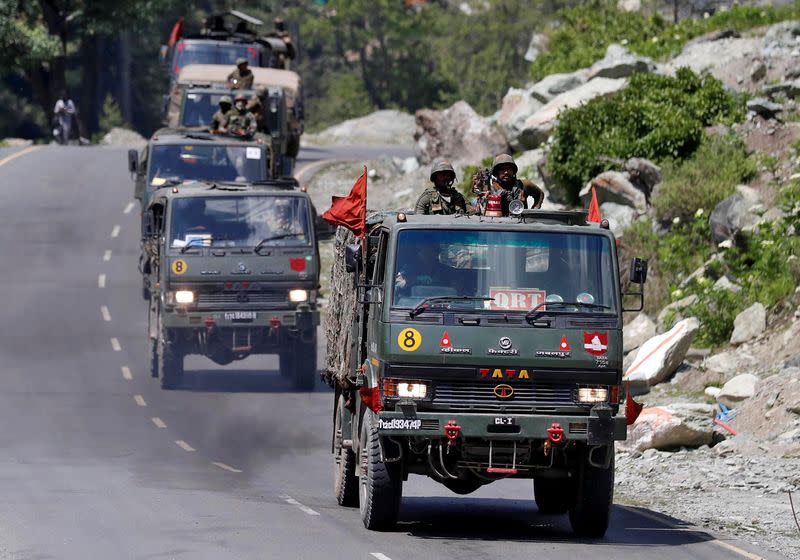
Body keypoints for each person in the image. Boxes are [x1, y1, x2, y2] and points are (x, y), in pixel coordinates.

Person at [471, 154, 545, 215]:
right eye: (502, 169)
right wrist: (480, 191)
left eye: (509, 169)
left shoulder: (523, 185)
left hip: (521, 224)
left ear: (513, 171)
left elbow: (539, 194)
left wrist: (534, 211)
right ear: (496, 172)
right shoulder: (490, 188)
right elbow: (480, 204)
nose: (506, 172)